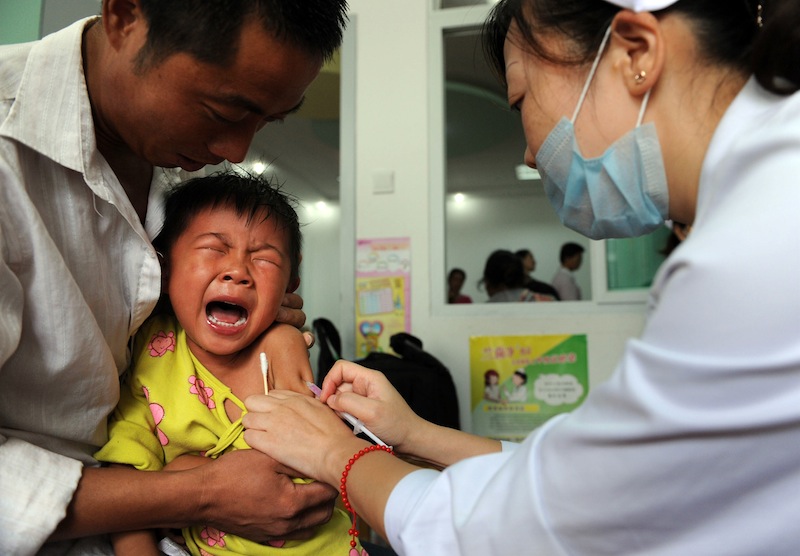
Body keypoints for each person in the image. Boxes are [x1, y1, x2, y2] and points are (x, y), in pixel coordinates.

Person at [240, 0, 800, 554]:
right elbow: (585, 475)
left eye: (520, 100)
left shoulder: (756, 243)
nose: (531, 154)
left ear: (636, 52)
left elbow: (539, 524)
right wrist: (412, 435)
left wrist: (337, 455)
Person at [0, 0, 348, 553]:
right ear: (124, 17)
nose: (236, 151)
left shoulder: (166, 164)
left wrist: (275, 334)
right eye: (222, 109)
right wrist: (198, 492)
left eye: (270, 120)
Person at [94, 173, 361, 556]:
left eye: (264, 258)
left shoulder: (282, 352)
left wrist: (182, 470)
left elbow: (311, 477)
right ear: (163, 266)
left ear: (291, 281)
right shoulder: (150, 351)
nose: (238, 270)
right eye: (214, 249)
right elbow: (126, 471)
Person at [480, 249, 547, 302]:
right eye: (531, 257)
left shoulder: (482, 312)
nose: (534, 261)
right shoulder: (548, 301)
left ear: (488, 282)